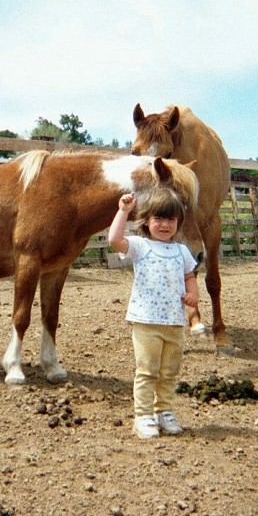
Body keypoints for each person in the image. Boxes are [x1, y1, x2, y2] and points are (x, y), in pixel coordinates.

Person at [108, 187, 199, 439]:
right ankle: (143, 415)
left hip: (174, 323)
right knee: (147, 371)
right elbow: (115, 240)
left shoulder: (181, 251)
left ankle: (164, 411)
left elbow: (189, 276)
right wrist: (123, 211)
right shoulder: (140, 246)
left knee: (169, 371)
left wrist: (194, 295)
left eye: (170, 219)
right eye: (158, 218)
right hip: (146, 322)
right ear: (147, 221)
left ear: (178, 222)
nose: (164, 224)